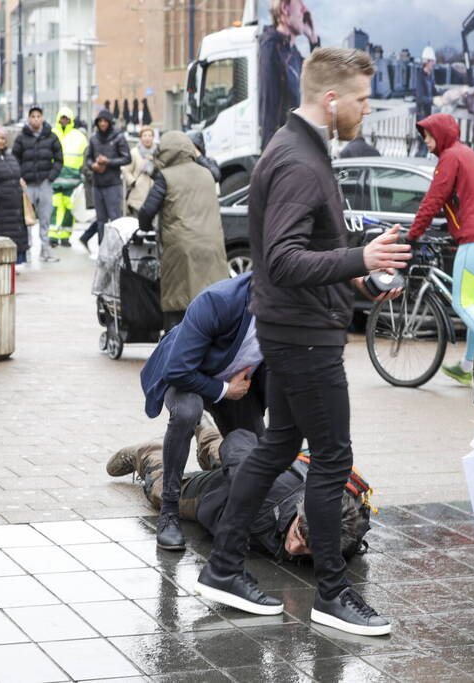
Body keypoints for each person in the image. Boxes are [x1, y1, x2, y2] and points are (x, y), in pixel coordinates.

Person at [195, 47, 411, 637]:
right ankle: (333, 596)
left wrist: (359, 277)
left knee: (274, 447)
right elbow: (284, 258)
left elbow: (300, 253)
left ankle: (222, 568)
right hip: (304, 339)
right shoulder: (297, 159)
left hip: (294, 332)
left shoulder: (301, 150)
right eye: (363, 99)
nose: (368, 110)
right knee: (332, 459)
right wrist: (360, 257)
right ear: (333, 98)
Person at [131, 272, 266, 549]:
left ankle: (208, 438)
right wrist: (226, 390)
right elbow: (178, 371)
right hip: (189, 376)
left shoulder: (296, 310)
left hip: (237, 386)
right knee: (186, 413)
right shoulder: (219, 301)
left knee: (254, 453)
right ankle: (169, 512)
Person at [107, 427, 370, 561]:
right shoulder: (265, 497)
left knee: (227, 456)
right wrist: (239, 484)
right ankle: (150, 454)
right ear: (301, 514)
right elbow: (241, 439)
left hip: (261, 471)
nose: (293, 547)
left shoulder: (342, 534)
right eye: (299, 535)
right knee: (164, 493)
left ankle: (204, 428)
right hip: (221, 494)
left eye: (307, 550)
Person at [407, 112, 474, 386]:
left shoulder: (449, 157)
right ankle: (468, 365)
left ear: (440, 134)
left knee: (461, 302)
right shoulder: (468, 154)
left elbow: (433, 199)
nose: (425, 141)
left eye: (428, 135)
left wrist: (413, 235)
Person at [137, 131, 228, 331]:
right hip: (212, 245)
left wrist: (144, 227)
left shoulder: (166, 177)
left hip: (181, 248)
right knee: (209, 296)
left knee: (177, 300)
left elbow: (147, 211)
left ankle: (175, 346)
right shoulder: (207, 174)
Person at [260, 0, 321, 150]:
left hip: (295, 144)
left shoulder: (292, 53)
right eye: (300, 4)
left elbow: (317, 79)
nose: (305, 10)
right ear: (285, 8)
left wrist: (313, 39)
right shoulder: (271, 48)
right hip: (282, 149)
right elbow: (269, 109)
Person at [12, 106, 63, 263]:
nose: (35, 119)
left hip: (44, 183)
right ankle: (26, 251)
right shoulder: (21, 138)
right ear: (29, 119)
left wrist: (50, 178)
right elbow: (14, 160)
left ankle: (46, 250)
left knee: (45, 218)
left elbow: (59, 160)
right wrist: (19, 177)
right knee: (26, 218)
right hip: (27, 184)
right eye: (32, 116)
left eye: (38, 116)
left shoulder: (52, 137)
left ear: (42, 118)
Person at [0, 126, 30, 264]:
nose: (0, 141)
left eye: (3, 138)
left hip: (15, 207)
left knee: (15, 236)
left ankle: (14, 262)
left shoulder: (10, 157)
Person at [84, 108, 131, 233]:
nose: (102, 124)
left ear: (110, 122)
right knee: (101, 221)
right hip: (97, 184)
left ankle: (118, 251)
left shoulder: (119, 137)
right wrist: (92, 165)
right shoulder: (93, 139)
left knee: (116, 219)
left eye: (105, 121)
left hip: (113, 184)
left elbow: (127, 158)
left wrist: (108, 162)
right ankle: (102, 250)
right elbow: (88, 158)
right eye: (100, 121)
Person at [49, 107, 89, 247]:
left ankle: (65, 236)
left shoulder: (79, 137)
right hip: (54, 177)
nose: (64, 121)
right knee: (54, 206)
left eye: (66, 118)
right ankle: (52, 236)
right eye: (62, 118)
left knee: (68, 208)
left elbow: (86, 157)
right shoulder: (51, 134)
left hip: (72, 179)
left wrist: (83, 175)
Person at [123, 127, 159, 217]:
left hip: (154, 192)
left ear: (153, 137)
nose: (147, 138)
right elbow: (126, 170)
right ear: (140, 137)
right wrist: (133, 182)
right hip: (138, 193)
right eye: (144, 135)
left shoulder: (158, 153)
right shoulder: (134, 152)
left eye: (150, 136)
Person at [414, 46, 436, 155]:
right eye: (432, 61)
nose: (434, 64)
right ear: (427, 62)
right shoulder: (421, 77)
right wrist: (433, 100)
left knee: (425, 146)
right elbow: (420, 98)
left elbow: (434, 92)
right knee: (422, 146)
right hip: (422, 117)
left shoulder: (430, 77)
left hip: (427, 117)